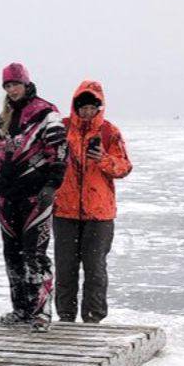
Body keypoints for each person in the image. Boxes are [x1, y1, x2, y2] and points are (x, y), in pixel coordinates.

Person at [0, 62, 68, 332]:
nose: (12, 89)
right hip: (7, 196)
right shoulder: (2, 119)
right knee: (12, 255)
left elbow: (60, 150)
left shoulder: (46, 112)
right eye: (7, 85)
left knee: (35, 254)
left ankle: (41, 312)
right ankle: (21, 309)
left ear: (26, 83)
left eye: (15, 84)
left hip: (35, 195)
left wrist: (52, 185)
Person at [53, 81, 132, 323]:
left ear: (99, 108)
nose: (87, 112)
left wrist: (103, 159)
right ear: (75, 107)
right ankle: (66, 316)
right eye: (83, 107)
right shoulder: (62, 128)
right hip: (64, 211)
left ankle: (93, 318)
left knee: (95, 268)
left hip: (99, 214)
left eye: (91, 108)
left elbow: (124, 167)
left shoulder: (109, 132)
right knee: (65, 268)